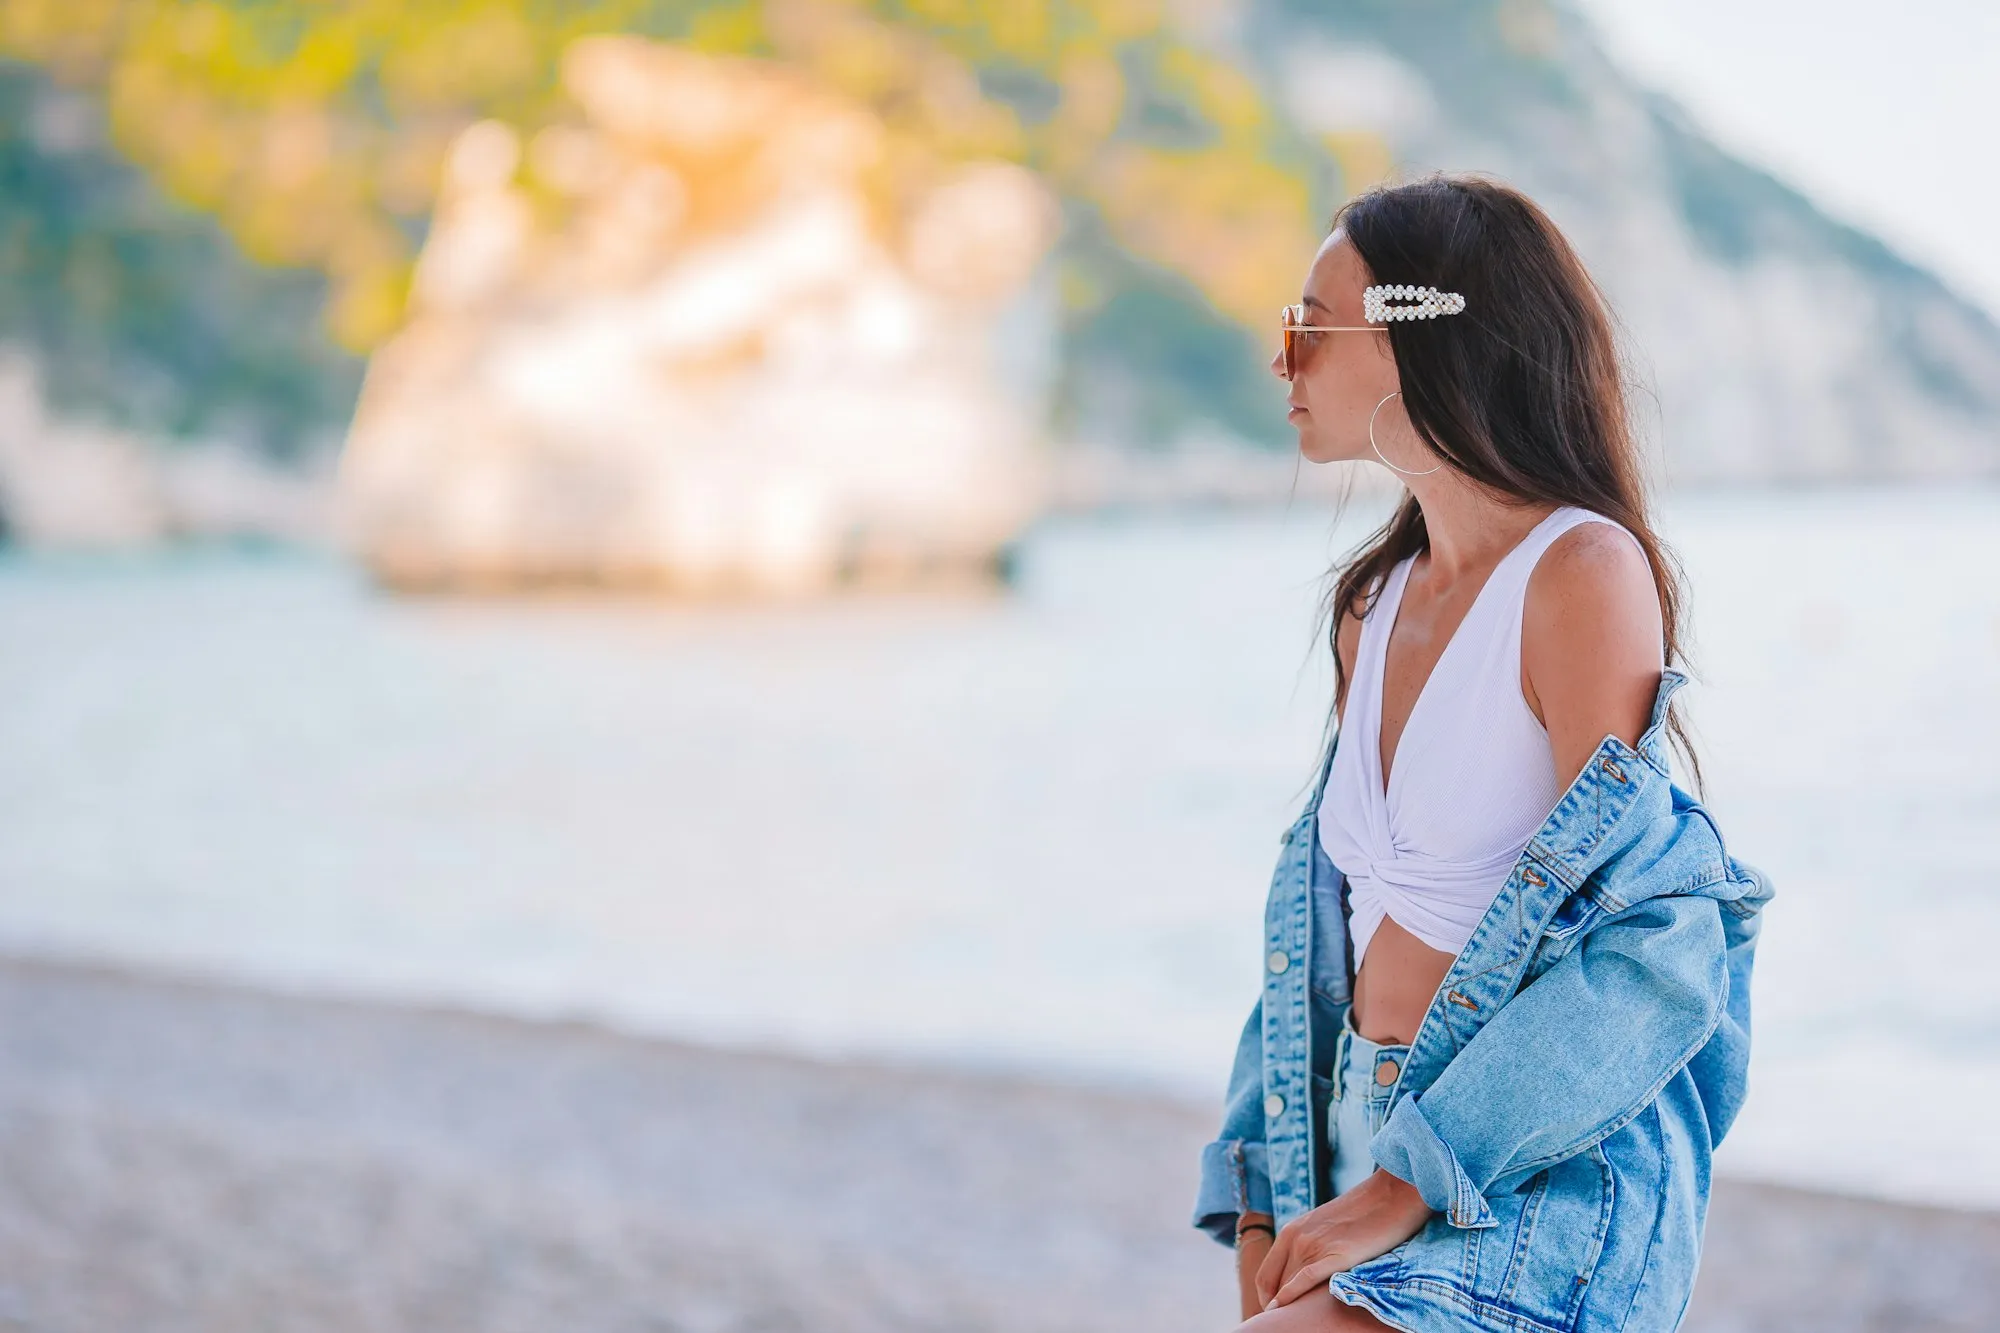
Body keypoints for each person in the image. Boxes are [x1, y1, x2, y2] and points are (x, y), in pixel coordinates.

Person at [1189, 173, 1774, 1332]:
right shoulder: (1373, 601)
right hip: (1348, 1145)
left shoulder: (1578, 574)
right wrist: (1259, 1194)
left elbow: (1657, 941)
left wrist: (1405, 1184)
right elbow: (1316, 920)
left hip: (1518, 1175)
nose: (1281, 361)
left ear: (1419, 341)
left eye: (1309, 324)